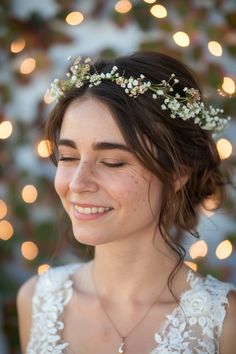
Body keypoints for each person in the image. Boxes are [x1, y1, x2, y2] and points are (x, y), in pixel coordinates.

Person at [17, 51, 236, 354]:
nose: (78, 184)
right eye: (68, 157)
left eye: (112, 162)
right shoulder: (36, 301)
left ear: (176, 174)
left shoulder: (225, 325)